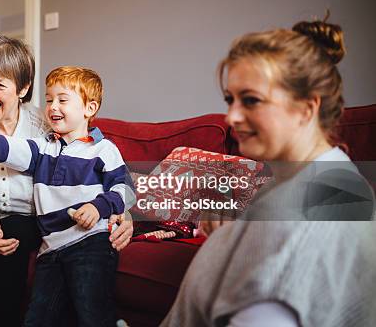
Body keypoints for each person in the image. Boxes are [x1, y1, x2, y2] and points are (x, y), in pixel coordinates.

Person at [161, 17, 376, 327]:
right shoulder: (313, 177)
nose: (231, 116)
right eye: (230, 100)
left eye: (251, 100)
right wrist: (229, 237)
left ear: (306, 108)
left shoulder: (310, 222)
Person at [0, 37, 133, 327]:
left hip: (23, 222)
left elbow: (98, 176)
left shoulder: (46, 125)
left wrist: (119, 210)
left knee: (13, 232)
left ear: (22, 89)